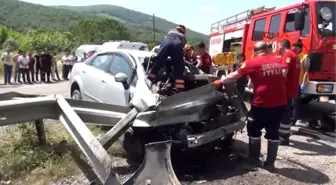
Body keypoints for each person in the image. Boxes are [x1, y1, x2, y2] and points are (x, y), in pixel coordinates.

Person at [215, 41, 287, 171]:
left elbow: (233, 76)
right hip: (280, 102)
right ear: (267, 49)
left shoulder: (252, 62)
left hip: (262, 103)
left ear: (255, 52)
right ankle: (270, 164)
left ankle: (253, 158)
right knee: (273, 131)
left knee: (253, 128)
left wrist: (220, 81)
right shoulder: (277, 61)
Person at [148, 25, 187, 91]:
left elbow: (167, 39)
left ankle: (150, 79)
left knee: (158, 62)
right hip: (177, 46)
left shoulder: (171, 31)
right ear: (184, 31)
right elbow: (182, 46)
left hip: (166, 44)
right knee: (179, 68)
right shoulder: (183, 36)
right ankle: (179, 88)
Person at [278, 39, 301, 146]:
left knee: (284, 112)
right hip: (292, 88)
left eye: (278, 46)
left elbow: (283, 74)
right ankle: (284, 135)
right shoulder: (296, 56)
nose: (277, 48)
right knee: (286, 110)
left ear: (282, 46)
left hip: (285, 89)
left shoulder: (287, 55)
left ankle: (283, 138)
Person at [292, 40, 309, 125]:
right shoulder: (293, 56)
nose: (294, 48)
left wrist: (303, 83)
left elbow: (306, 71)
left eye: (296, 47)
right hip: (291, 82)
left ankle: (294, 119)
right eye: (293, 46)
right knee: (289, 102)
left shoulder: (305, 57)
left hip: (298, 83)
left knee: (296, 102)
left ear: (300, 48)